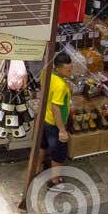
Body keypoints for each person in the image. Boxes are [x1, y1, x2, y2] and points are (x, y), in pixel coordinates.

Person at [41, 52, 73, 186]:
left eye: (71, 68)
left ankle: (38, 168)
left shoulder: (46, 73)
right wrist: (62, 130)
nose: (71, 71)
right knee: (58, 153)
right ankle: (54, 180)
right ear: (58, 68)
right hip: (55, 124)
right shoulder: (61, 85)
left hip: (45, 119)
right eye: (68, 69)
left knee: (42, 146)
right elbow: (56, 108)